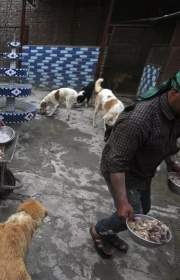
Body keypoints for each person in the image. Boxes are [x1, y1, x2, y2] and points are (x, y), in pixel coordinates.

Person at [90, 71, 180, 258]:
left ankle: (110, 232)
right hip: (121, 170)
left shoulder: (176, 113)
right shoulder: (139, 120)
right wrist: (122, 202)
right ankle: (99, 230)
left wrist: (171, 164)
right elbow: (116, 163)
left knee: (143, 209)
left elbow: (166, 142)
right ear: (174, 92)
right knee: (130, 214)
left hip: (143, 171)